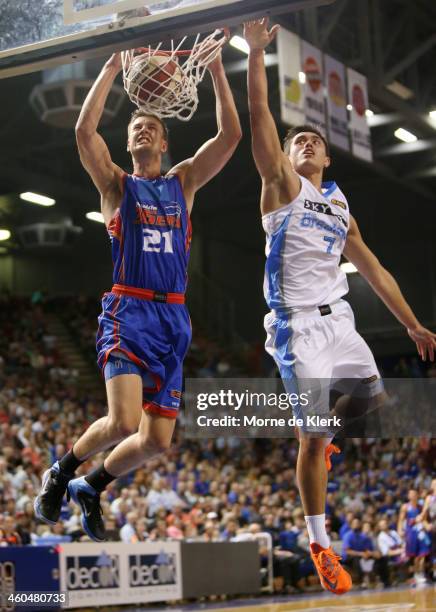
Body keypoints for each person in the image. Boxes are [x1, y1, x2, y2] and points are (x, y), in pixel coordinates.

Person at [243, 17, 436, 595]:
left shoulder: (341, 205)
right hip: (296, 329)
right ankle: (321, 544)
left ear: (327, 159)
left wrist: (413, 323)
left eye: (315, 142)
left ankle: (324, 445)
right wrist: (255, 56)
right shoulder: (280, 186)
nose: (305, 143)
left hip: (342, 321)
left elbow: (373, 268)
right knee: (310, 438)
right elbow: (261, 122)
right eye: (298, 140)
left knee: (372, 399)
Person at [34, 47, 241, 541]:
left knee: (156, 441)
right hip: (129, 310)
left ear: (165, 140)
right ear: (127, 143)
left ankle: (92, 485)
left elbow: (230, 136)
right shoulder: (114, 185)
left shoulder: (183, 181)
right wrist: (109, 68)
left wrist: (215, 70)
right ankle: (61, 472)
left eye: (150, 127)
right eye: (134, 128)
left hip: (174, 320)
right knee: (124, 420)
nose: (142, 130)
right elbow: (84, 133)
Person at [398, 489, 431, 584]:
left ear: (417, 495)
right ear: (408, 496)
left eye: (414, 494)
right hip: (411, 533)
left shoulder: (421, 506)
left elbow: (424, 519)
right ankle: (416, 574)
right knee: (416, 556)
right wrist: (400, 530)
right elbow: (400, 520)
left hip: (420, 532)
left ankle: (421, 573)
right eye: (411, 494)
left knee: (423, 553)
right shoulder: (405, 507)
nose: (413, 495)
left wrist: (426, 526)